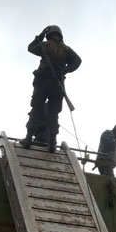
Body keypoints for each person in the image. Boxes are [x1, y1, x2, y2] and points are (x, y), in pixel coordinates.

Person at [19, 25, 81, 153]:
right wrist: (65, 70)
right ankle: (52, 144)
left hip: (43, 83)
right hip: (57, 86)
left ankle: (28, 139)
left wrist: (40, 35)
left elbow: (31, 48)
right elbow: (77, 61)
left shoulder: (46, 45)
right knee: (53, 115)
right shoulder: (66, 49)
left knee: (36, 110)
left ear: (49, 35)